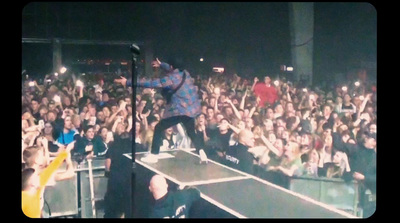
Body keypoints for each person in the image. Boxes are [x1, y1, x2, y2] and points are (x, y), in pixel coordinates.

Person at [115, 57, 207, 163]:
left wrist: (128, 82)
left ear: (172, 66)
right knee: (191, 132)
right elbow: (173, 68)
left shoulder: (170, 78)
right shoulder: (185, 73)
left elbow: (151, 83)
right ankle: (202, 153)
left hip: (179, 110)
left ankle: (154, 155)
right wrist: (162, 64)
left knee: (158, 128)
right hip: (191, 109)